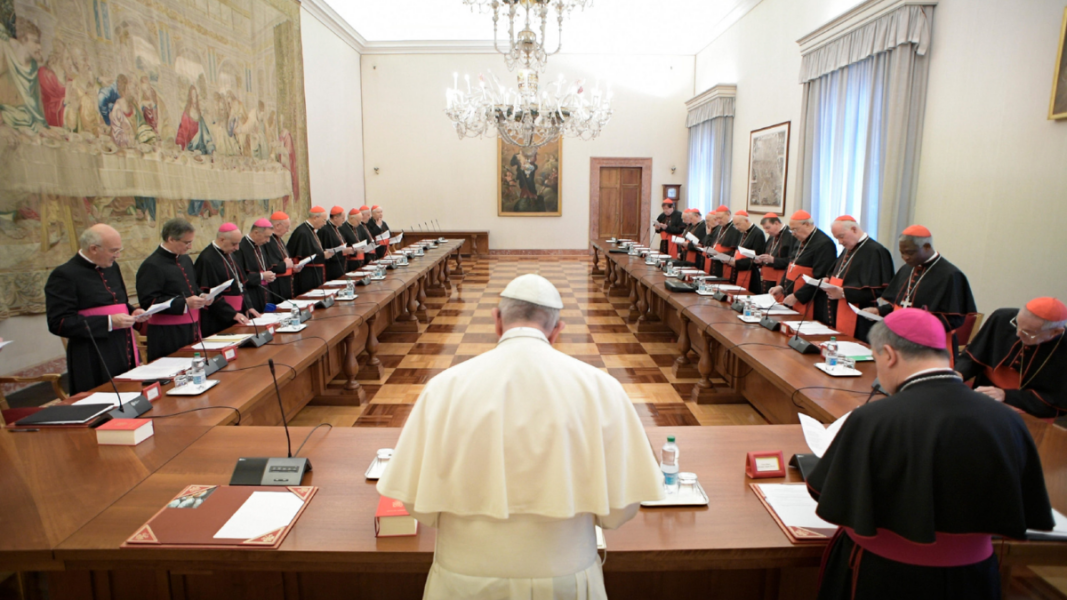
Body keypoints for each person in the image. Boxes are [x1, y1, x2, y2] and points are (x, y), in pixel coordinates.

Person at [378, 274, 665, 600]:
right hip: (566, 580)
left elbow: (417, 504)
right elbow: (619, 510)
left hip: (462, 582)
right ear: (557, 331)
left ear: (497, 321)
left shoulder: (445, 387)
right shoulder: (601, 388)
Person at [807, 309, 1054, 600]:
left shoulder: (874, 418)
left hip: (884, 576)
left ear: (889, 355)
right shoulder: (1008, 419)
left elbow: (824, 492)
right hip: (973, 578)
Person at [45, 224, 145, 393]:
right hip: (92, 353)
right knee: (104, 400)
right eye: (114, 251)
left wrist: (133, 311)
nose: (118, 255)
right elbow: (59, 323)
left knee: (132, 393)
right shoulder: (64, 275)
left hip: (123, 345)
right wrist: (108, 321)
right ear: (93, 249)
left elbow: (118, 302)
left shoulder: (112, 267)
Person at [865, 225, 976, 353]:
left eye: (910, 252)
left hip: (930, 346)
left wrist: (916, 327)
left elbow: (954, 319)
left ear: (927, 247)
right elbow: (900, 303)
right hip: (900, 340)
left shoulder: (950, 275)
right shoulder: (907, 269)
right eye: (902, 252)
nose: (905, 257)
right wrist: (879, 311)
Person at [956, 297, 1067, 420]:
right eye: (1017, 324)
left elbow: (1056, 401)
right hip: (983, 394)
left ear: (1056, 331)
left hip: (1029, 410)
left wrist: (1006, 395)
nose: (1018, 334)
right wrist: (959, 373)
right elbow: (974, 355)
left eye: (1028, 332)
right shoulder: (1002, 317)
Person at [136, 218, 213, 361]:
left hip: (192, 327)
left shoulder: (185, 259)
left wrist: (202, 296)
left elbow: (192, 288)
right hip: (167, 333)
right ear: (171, 239)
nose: (190, 247)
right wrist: (184, 303)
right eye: (187, 242)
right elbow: (148, 302)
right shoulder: (152, 265)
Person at [812, 216, 894, 342]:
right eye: (837, 238)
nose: (840, 242)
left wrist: (844, 293)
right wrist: (827, 279)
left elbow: (878, 290)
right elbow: (836, 273)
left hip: (859, 317)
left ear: (854, 229)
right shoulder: (849, 248)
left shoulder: (876, 251)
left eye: (841, 236)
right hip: (836, 312)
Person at [768, 210, 837, 317]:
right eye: (791, 230)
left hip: (809, 300)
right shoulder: (800, 238)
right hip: (792, 296)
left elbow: (820, 277)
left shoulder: (824, 244)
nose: (793, 234)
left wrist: (798, 296)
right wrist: (781, 286)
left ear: (807, 225)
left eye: (795, 230)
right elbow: (791, 265)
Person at [194, 223, 254, 337]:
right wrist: (232, 314)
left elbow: (240, 284)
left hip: (237, 313)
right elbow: (209, 294)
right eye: (234, 244)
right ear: (222, 239)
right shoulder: (207, 259)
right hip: (217, 317)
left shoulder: (230, 254)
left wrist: (248, 306)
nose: (237, 248)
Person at [286, 206, 335, 295]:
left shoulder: (310, 230)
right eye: (324, 220)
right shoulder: (303, 232)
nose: (325, 223)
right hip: (307, 276)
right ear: (315, 218)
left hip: (314, 274)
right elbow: (305, 256)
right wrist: (323, 255)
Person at [237, 218, 280, 314]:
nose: (268, 241)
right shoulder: (241, 248)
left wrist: (268, 276)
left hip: (263, 293)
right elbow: (240, 277)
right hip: (251, 295)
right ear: (256, 232)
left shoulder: (260, 245)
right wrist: (261, 276)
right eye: (266, 237)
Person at [720, 210, 766, 292]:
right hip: (738, 270)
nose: (737, 227)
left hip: (751, 275)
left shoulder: (758, 233)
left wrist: (736, 263)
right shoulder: (742, 231)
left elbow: (757, 259)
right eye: (735, 225)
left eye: (738, 224)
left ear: (746, 220)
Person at [754, 213, 796, 294]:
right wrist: (761, 260)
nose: (766, 231)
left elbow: (792, 261)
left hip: (780, 277)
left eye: (768, 228)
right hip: (767, 276)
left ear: (776, 223)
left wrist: (774, 260)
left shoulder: (791, 236)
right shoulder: (772, 234)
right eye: (764, 229)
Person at [264, 211, 299, 300]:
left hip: (285, 283)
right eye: (286, 227)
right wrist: (286, 265)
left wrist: (293, 267)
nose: (287, 230)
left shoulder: (278, 239)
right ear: (277, 225)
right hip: (276, 285)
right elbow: (271, 266)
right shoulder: (268, 241)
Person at [318, 206, 353, 280]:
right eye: (342, 218)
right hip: (331, 268)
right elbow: (326, 251)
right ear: (335, 218)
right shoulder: (325, 230)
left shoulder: (336, 228)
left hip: (340, 265)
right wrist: (343, 251)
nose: (344, 220)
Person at [701, 206, 738, 277]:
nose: (718, 221)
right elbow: (709, 243)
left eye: (720, 218)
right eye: (717, 218)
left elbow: (736, 251)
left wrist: (721, 254)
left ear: (728, 214)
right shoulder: (719, 227)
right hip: (715, 262)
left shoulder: (736, 229)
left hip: (726, 265)